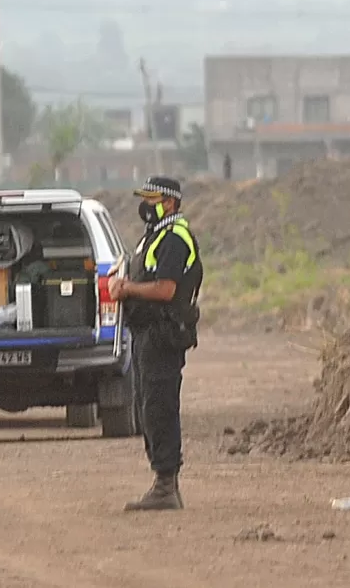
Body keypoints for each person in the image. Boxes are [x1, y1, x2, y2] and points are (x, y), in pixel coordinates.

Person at [108, 176, 204, 512]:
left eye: (152, 199)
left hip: (164, 335)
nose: (146, 205)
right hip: (147, 334)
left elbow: (165, 290)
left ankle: (166, 486)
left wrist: (128, 289)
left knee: (160, 407)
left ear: (170, 202)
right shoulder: (155, 237)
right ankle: (162, 482)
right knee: (148, 406)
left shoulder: (175, 238)